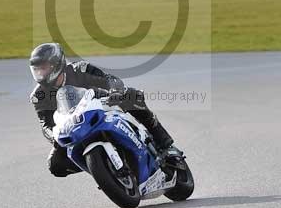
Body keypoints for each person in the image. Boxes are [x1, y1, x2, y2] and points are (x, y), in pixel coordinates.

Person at [29, 42, 180, 177]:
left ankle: (166, 145)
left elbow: (109, 79)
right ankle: (102, 167)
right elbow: (46, 125)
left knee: (133, 96)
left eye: (44, 68)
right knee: (55, 165)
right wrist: (54, 138)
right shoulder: (38, 96)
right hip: (74, 126)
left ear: (56, 64)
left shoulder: (80, 69)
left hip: (101, 106)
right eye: (37, 69)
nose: (41, 73)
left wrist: (115, 91)